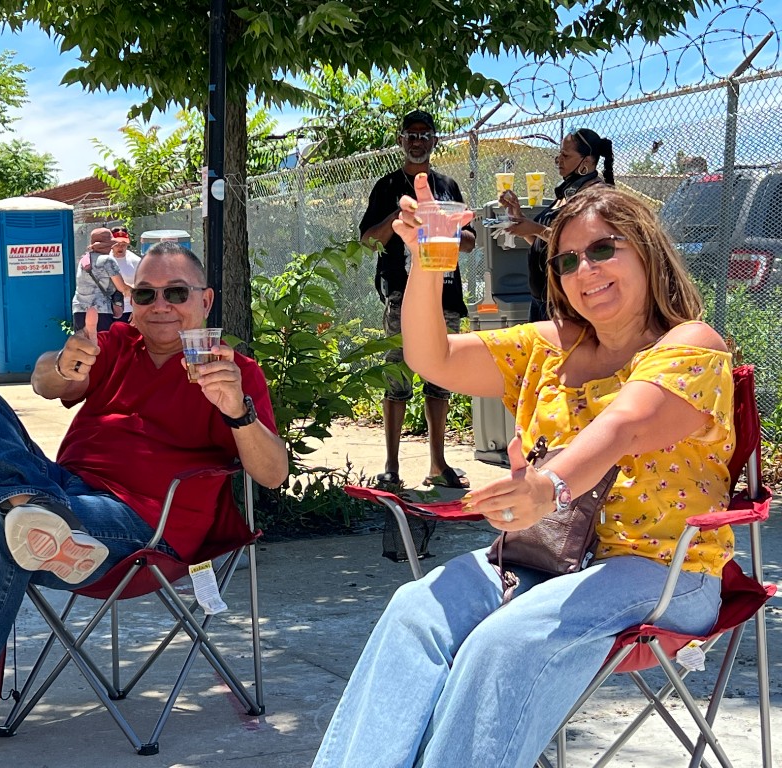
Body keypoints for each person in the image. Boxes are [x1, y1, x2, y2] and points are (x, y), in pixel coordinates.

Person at [313, 180, 733, 768]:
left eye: (604, 249)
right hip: (544, 558)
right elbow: (432, 359)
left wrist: (548, 486)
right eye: (567, 260)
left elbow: (626, 426)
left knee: (504, 641)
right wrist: (429, 259)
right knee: (414, 610)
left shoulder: (691, 345)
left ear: (647, 251)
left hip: (661, 571)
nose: (585, 269)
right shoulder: (549, 346)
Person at [0, 242, 288, 768]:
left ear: (206, 300)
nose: (160, 305)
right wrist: (62, 363)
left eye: (176, 292)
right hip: (65, 492)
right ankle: (33, 513)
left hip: (143, 528)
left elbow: (273, 474)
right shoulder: (115, 343)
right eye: (145, 293)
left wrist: (237, 412)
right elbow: (45, 381)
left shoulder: (233, 371)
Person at [359, 109, 476, 489]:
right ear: (400, 140)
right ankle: (391, 466)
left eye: (425, 134)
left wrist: (443, 222)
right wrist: (402, 210)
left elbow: (470, 240)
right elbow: (368, 239)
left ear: (434, 141)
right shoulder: (387, 185)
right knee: (396, 376)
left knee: (441, 377)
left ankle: (437, 465)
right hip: (402, 295)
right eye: (411, 134)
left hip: (444, 292)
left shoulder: (447, 186)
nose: (417, 140)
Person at [499, 128, 614, 321]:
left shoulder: (596, 197)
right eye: (559, 154)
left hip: (566, 304)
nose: (559, 160)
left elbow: (582, 245)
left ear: (586, 162)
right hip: (542, 300)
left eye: (566, 155)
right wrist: (518, 216)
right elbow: (543, 244)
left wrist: (536, 228)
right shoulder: (566, 194)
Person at [71, 226, 132, 332]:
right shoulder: (107, 260)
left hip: (79, 310)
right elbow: (122, 288)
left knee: (84, 344)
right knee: (101, 345)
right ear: (108, 246)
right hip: (100, 311)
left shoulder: (84, 260)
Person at [110, 225, 141, 324]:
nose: (120, 247)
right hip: (109, 310)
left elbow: (142, 288)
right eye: (117, 243)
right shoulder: (105, 260)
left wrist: (137, 310)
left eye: (123, 243)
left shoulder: (136, 261)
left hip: (129, 310)